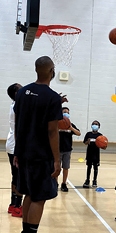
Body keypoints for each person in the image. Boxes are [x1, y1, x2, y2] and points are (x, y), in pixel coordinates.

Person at [14, 56, 63, 233]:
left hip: (25, 152)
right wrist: (57, 160)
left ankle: (25, 231)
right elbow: (52, 131)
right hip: (41, 156)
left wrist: (18, 151)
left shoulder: (22, 92)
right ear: (52, 71)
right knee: (38, 198)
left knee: (29, 193)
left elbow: (18, 123)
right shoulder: (52, 97)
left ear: (36, 70)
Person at [6, 83, 23, 217]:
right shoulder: (18, 106)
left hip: (12, 143)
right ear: (17, 94)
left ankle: (13, 205)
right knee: (19, 177)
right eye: (21, 88)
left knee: (16, 176)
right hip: (15, 145)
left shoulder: (15, 105)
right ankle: (17, 206)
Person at [59, 107, 81, 192]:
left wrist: (71, 128)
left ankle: (64, 183)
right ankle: (55, 183)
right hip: (58, 150)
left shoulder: (70, 124)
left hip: (67, 150)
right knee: (56, 167)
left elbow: (79, 133)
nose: (66, 113)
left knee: (66, 167)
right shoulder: (57, 123)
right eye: (64, 112)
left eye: (67, 112)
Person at [83, 120, 104, 188]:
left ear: (99, 127)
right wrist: (87, 142)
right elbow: (85, 142)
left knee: (95, 167)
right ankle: (87, 180)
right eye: (93, 124)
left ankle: (94, 180)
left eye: (96, 124)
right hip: (89, 153)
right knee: (89, 167)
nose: (95, 125)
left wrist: (103, 145)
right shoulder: (88, 134)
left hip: (96, 154)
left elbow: (103, 146)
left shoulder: (100, 136)